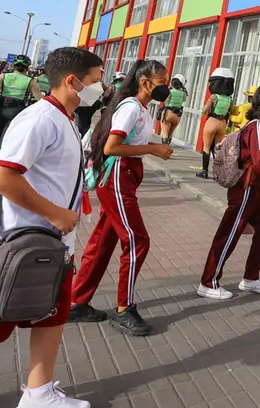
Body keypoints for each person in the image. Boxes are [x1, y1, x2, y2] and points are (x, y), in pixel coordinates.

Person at [0, 48, 102, 408]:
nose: (99, 88)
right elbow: (3, 176)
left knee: (52, 315)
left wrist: (72, 204)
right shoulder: (39, 119)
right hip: (20, 244)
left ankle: (38, 394)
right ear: (73, 81)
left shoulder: (67, 118)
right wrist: (55, 212)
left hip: (51, 246)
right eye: (96, 81)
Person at [68, 60, 174, 337]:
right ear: (145, 82)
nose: (167, 86)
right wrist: (152, 148)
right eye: (163, 81)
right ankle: (124, 308)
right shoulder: (130, 108)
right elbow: (113, 147)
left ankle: (77, 301)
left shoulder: (140, 108)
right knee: (137, 240)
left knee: (103, 240)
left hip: (124, 175)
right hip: (118, 175)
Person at [198, 86, 260, 300]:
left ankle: (250, 279)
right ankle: (209, 282)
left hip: (252, 190)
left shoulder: (258, 126)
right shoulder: (258, 127)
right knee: (228, 235)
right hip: (244, 189)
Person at [0, 55, 43, 157]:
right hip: (17, 111)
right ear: (27, 68)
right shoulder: (30, 80)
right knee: (9, 136)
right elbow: (39, 98)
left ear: (14, 66)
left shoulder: (4, 76)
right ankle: (1, 158)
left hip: (1, 108)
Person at [196, 68, 235, 179]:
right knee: (217, 148)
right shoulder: (229, 99)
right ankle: (218, 173)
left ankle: (204, 171)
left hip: (212, 121)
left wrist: (202, 110)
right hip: (222, 123)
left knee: (206, 147)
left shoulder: (214, 97)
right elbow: (232, 111)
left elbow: (204, 110)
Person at [160, 74, 188, 145]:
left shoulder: (170, 92)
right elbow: (184, 100)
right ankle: (168, 144)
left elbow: (165, 101)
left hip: (168, 113)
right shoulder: (183, 93)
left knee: (165, 132)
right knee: (170, 133)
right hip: (177, 115)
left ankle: (164, 147)